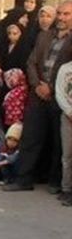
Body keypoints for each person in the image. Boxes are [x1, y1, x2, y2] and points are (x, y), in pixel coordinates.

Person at [4, 0, 72, 193]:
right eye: (59, 13)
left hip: (61, 95)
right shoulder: (44, 36)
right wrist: (38, 85)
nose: (61, 18)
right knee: (31, 136)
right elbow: (31, 62)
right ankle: (23, 178)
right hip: (38, 92)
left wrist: (52, 87)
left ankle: (56, 182)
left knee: (59, 141)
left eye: (66, 14)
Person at [54, 58, 72, 205]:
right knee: (67, 155)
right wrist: (69, 111)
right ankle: (67, 188)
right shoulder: (65, 69)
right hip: (68, 117)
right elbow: (60, 93)